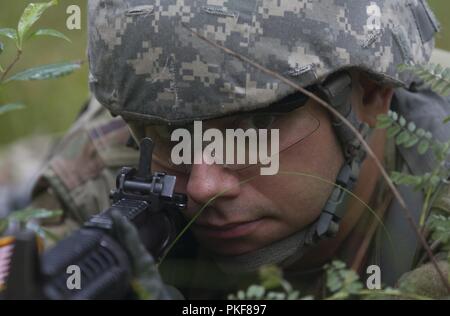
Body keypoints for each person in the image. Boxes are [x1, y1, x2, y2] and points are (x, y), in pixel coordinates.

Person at [15, 0, 450, 299]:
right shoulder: (100, 171)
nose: (203, 186)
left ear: (371, 94)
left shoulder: (438, 196)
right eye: (171, 134)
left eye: (256, 127)